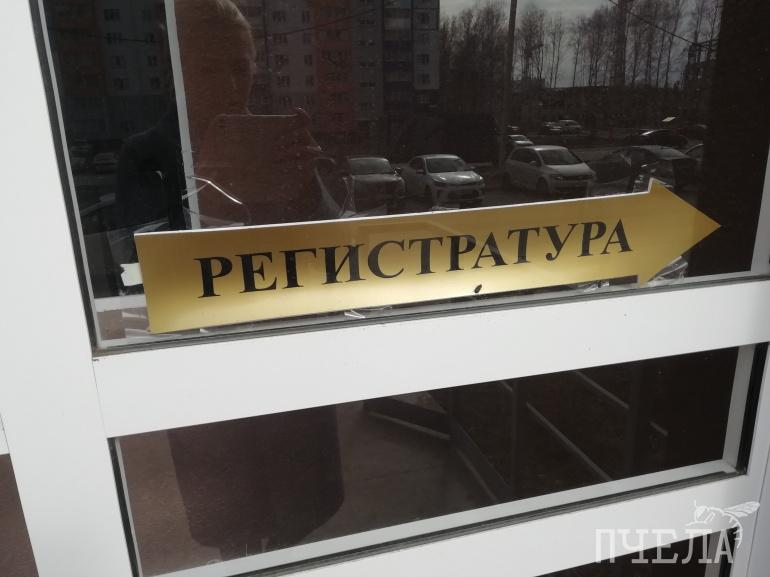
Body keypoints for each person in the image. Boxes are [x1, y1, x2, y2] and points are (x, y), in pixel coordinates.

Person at [115, 0, 344, 561]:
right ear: (180, 70)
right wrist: (207, 189)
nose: (231, 82)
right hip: (205, 374)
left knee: (297, 517)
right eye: (210, 66)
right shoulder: (147, 153)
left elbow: (332, 252)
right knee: (232, 521)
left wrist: (307, 183)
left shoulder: (276, 144)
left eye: (241, 66)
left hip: (287, 364)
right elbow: (138, 277)